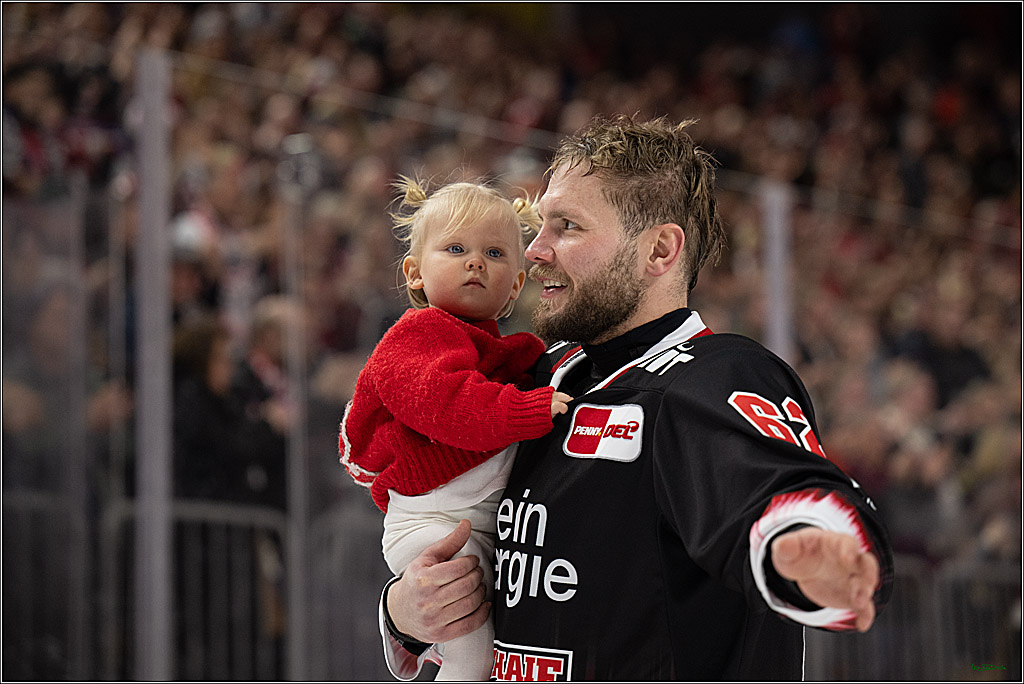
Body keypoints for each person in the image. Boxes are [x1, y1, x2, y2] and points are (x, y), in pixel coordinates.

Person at [378, 115, 894, 681]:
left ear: (658, 251)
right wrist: (405, 612)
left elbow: (770, 486)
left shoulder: (713, 377)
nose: (536, 251)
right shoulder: (533, 379)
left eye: (567, 227)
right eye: (540, 226)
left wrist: (809, 544)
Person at [339, 176, 573, 680]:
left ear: (515, 284)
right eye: (456, 248)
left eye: (493, 252)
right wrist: (528, 411)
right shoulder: (416, 336)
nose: (475, 262)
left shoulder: (515, 353)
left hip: (477, 527)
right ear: (415, 273)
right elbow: (448, 405)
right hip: (433, 528)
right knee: (471, 646)